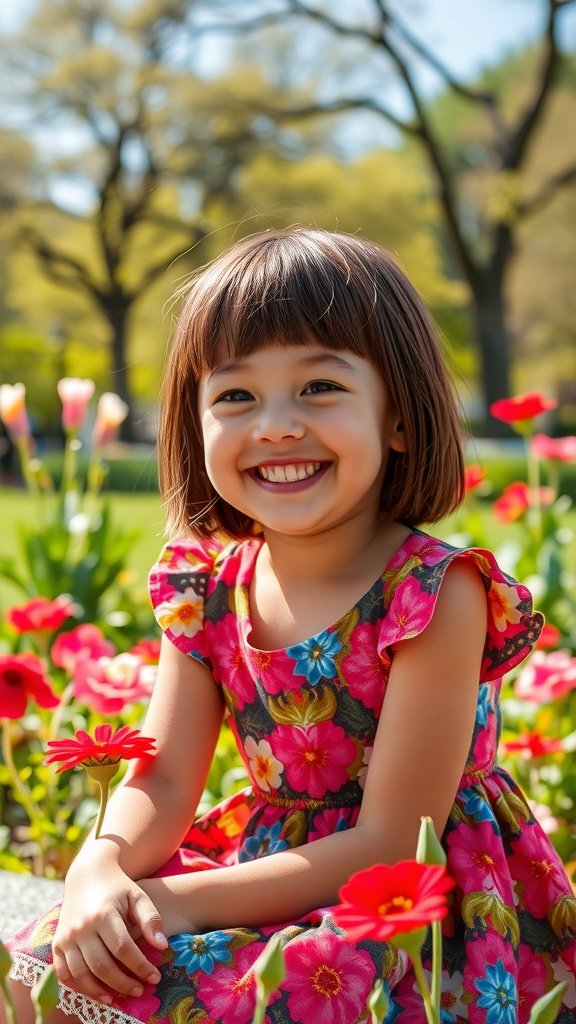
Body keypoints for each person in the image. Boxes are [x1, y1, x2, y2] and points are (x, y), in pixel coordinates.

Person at [4, 228, 575, 1024]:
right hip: (270, 873)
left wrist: (173, 902)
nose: (275, 425)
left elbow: (390, 842)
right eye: (235, 396)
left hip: (414, 907)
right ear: (195, 425)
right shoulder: (207, 586)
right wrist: (100, 868)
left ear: (399, 418)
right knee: (38, 969)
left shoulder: (434, 593)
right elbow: (165, 778)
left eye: (319, 388)